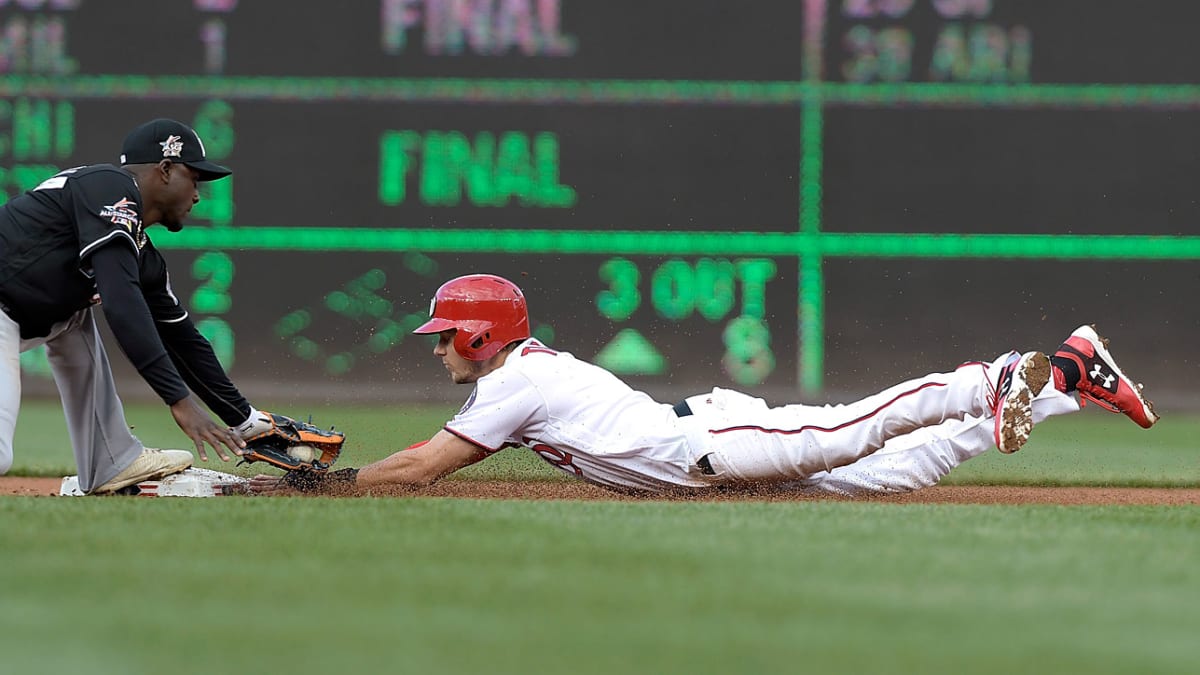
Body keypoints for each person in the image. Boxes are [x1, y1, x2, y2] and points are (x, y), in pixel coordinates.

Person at [249, 273, 1159, 497]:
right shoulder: (516, 376)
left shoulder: (508, 387)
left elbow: (418, 467)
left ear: (482, 333)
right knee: (897, 475)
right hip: (707, 444)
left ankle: (994, 377)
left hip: (712, 446)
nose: (437, 345)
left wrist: (320, 484)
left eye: (447, 333)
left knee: (860, 427)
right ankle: (1066, 375)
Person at [0, 118, 309, 494]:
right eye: (194, 179)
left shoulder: (142, 254)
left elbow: (181, 338)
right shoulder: (108, 185)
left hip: (13, 313)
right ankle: (112, 458)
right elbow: (122, 304)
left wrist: (244, 420)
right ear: (165, 169)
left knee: (74, 318)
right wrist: (179, 401)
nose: (197, 195)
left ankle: (111, 461)